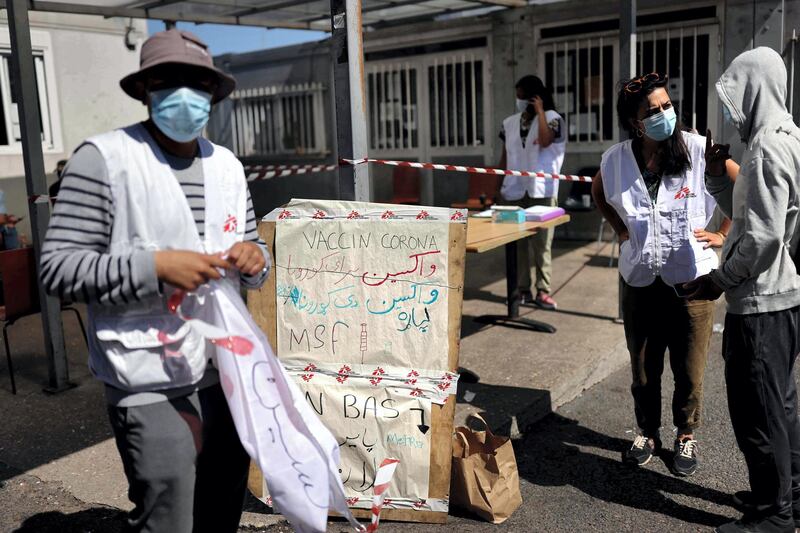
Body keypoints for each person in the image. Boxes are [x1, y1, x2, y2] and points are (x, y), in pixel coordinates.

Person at [40, 30, 269, 533]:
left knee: (222, 501)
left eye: (198, 83)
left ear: (213, 94)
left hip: (224, 370)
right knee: (168, 513)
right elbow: (57, 269)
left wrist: (256, 259)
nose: (184, 94)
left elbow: (252, 247)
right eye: (168, 81)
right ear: (145, 91)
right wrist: (155, 267)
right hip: (146, 377)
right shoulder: (103, 161)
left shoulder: (227, 166)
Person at [591, 72, 734, 476]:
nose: (663, 114)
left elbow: (742, 190)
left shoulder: (696, 148)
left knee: (689, 367)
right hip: (639, 277)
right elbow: (599, 192)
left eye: (667, 106)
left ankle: (685, 435)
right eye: (652, 111)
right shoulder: (617, 158)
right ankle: (647, 431)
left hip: (692, 280)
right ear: (635, 122)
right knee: (642, 366)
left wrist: (722, 233)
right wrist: (620, 231)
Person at [686, 47, 800, 533]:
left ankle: (776, 515)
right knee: (781, 406)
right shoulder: (785, 139)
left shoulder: (770, 147)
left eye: (737, 94)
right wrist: (717, 176)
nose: (733, 108)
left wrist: (718, 280)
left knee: (757, 411)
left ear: (755, 88)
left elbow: (763, 236)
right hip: (783, 297)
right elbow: (760, 215)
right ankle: (786, 493)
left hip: (761, 304)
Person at [498, 75, 566, 310]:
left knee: (542, 242)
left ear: (535, 97)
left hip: (542, 189)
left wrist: (539, 112)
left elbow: (546, 141)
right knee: (518, 241)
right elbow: (505, 154)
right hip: (515, 188)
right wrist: (499, 182)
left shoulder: (554, 119)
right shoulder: (509, 123)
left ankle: (543, 290)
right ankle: (522, 289)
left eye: (522, 97)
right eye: (517, 97)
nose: (519, 102)